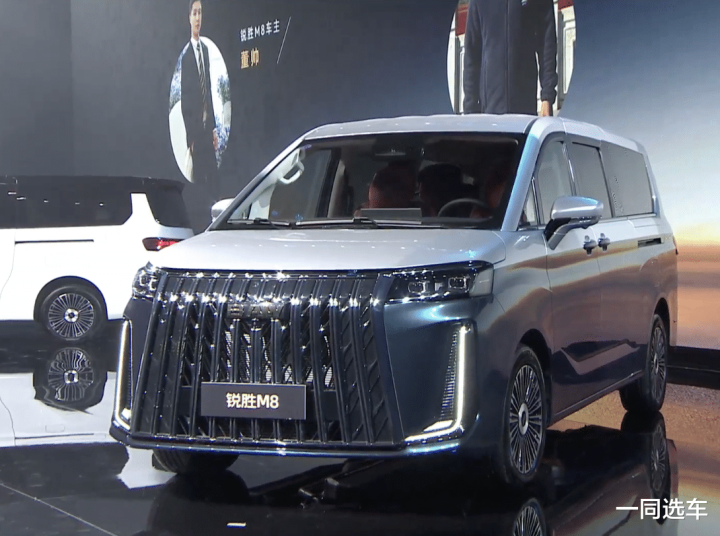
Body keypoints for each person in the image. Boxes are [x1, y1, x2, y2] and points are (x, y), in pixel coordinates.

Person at [462, 0, 558, 117]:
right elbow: (471, 55)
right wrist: (470, 109)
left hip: (525, 107)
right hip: (489, 110)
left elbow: (547, 43)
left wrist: (547, 96)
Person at [182, 0, 219, 191]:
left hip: (207, 131)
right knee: (198, 186)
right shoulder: (186, 57)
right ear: (189, 17)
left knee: (214, 182)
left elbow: (209, 91)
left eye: (200, 13)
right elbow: (186, 101)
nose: (198, 18)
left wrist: (213, 129)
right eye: (194, 13)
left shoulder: (205, 50)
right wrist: (191, 139)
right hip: (196, 135)